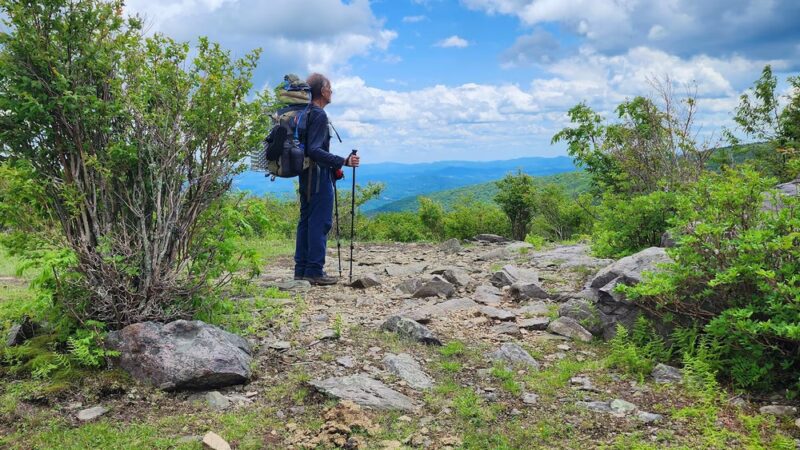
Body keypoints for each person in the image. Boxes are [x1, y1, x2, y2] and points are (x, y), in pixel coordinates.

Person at [294, 73, 359, 285]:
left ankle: (301, 269)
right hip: (318, 176)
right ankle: (314, 270)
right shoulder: (319, 115)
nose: (331, 91)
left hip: (306, 175)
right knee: (320, 222)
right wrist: (343, 161)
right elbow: (314, 150)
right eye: (329, 87)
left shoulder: (305, 113)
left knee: (306, 220)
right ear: (322, 91)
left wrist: (334, 167)